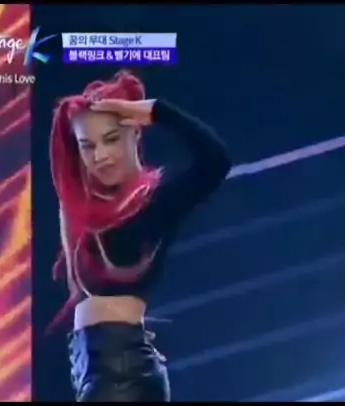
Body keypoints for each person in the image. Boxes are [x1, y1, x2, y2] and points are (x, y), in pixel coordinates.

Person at [47, 70, 232, 402]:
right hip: (96, 369)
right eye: (88, 146)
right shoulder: (88, 211)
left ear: (134, 132)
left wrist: (157, 111)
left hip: (123, 375)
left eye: (111, 139)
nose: (100, 156)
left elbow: (215, 161)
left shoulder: (155, 202)